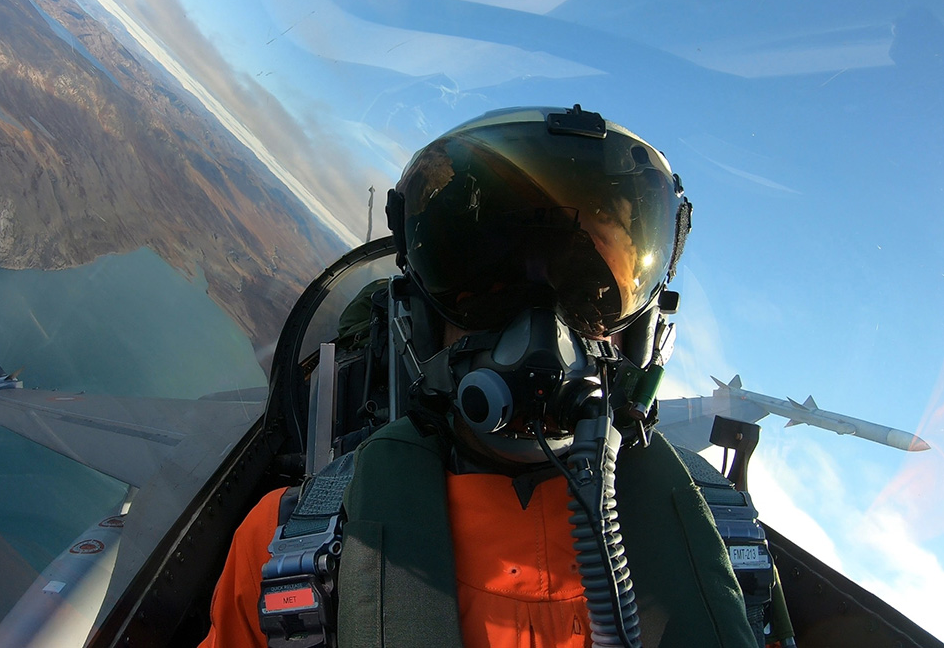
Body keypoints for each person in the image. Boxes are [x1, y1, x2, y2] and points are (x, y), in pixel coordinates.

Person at [198, 106, 768, 648]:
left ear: (642, 337)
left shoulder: (288, 549)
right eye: (484, 281)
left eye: (593, 293)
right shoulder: (291, 551)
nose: (541, 334)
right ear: (420, 318)